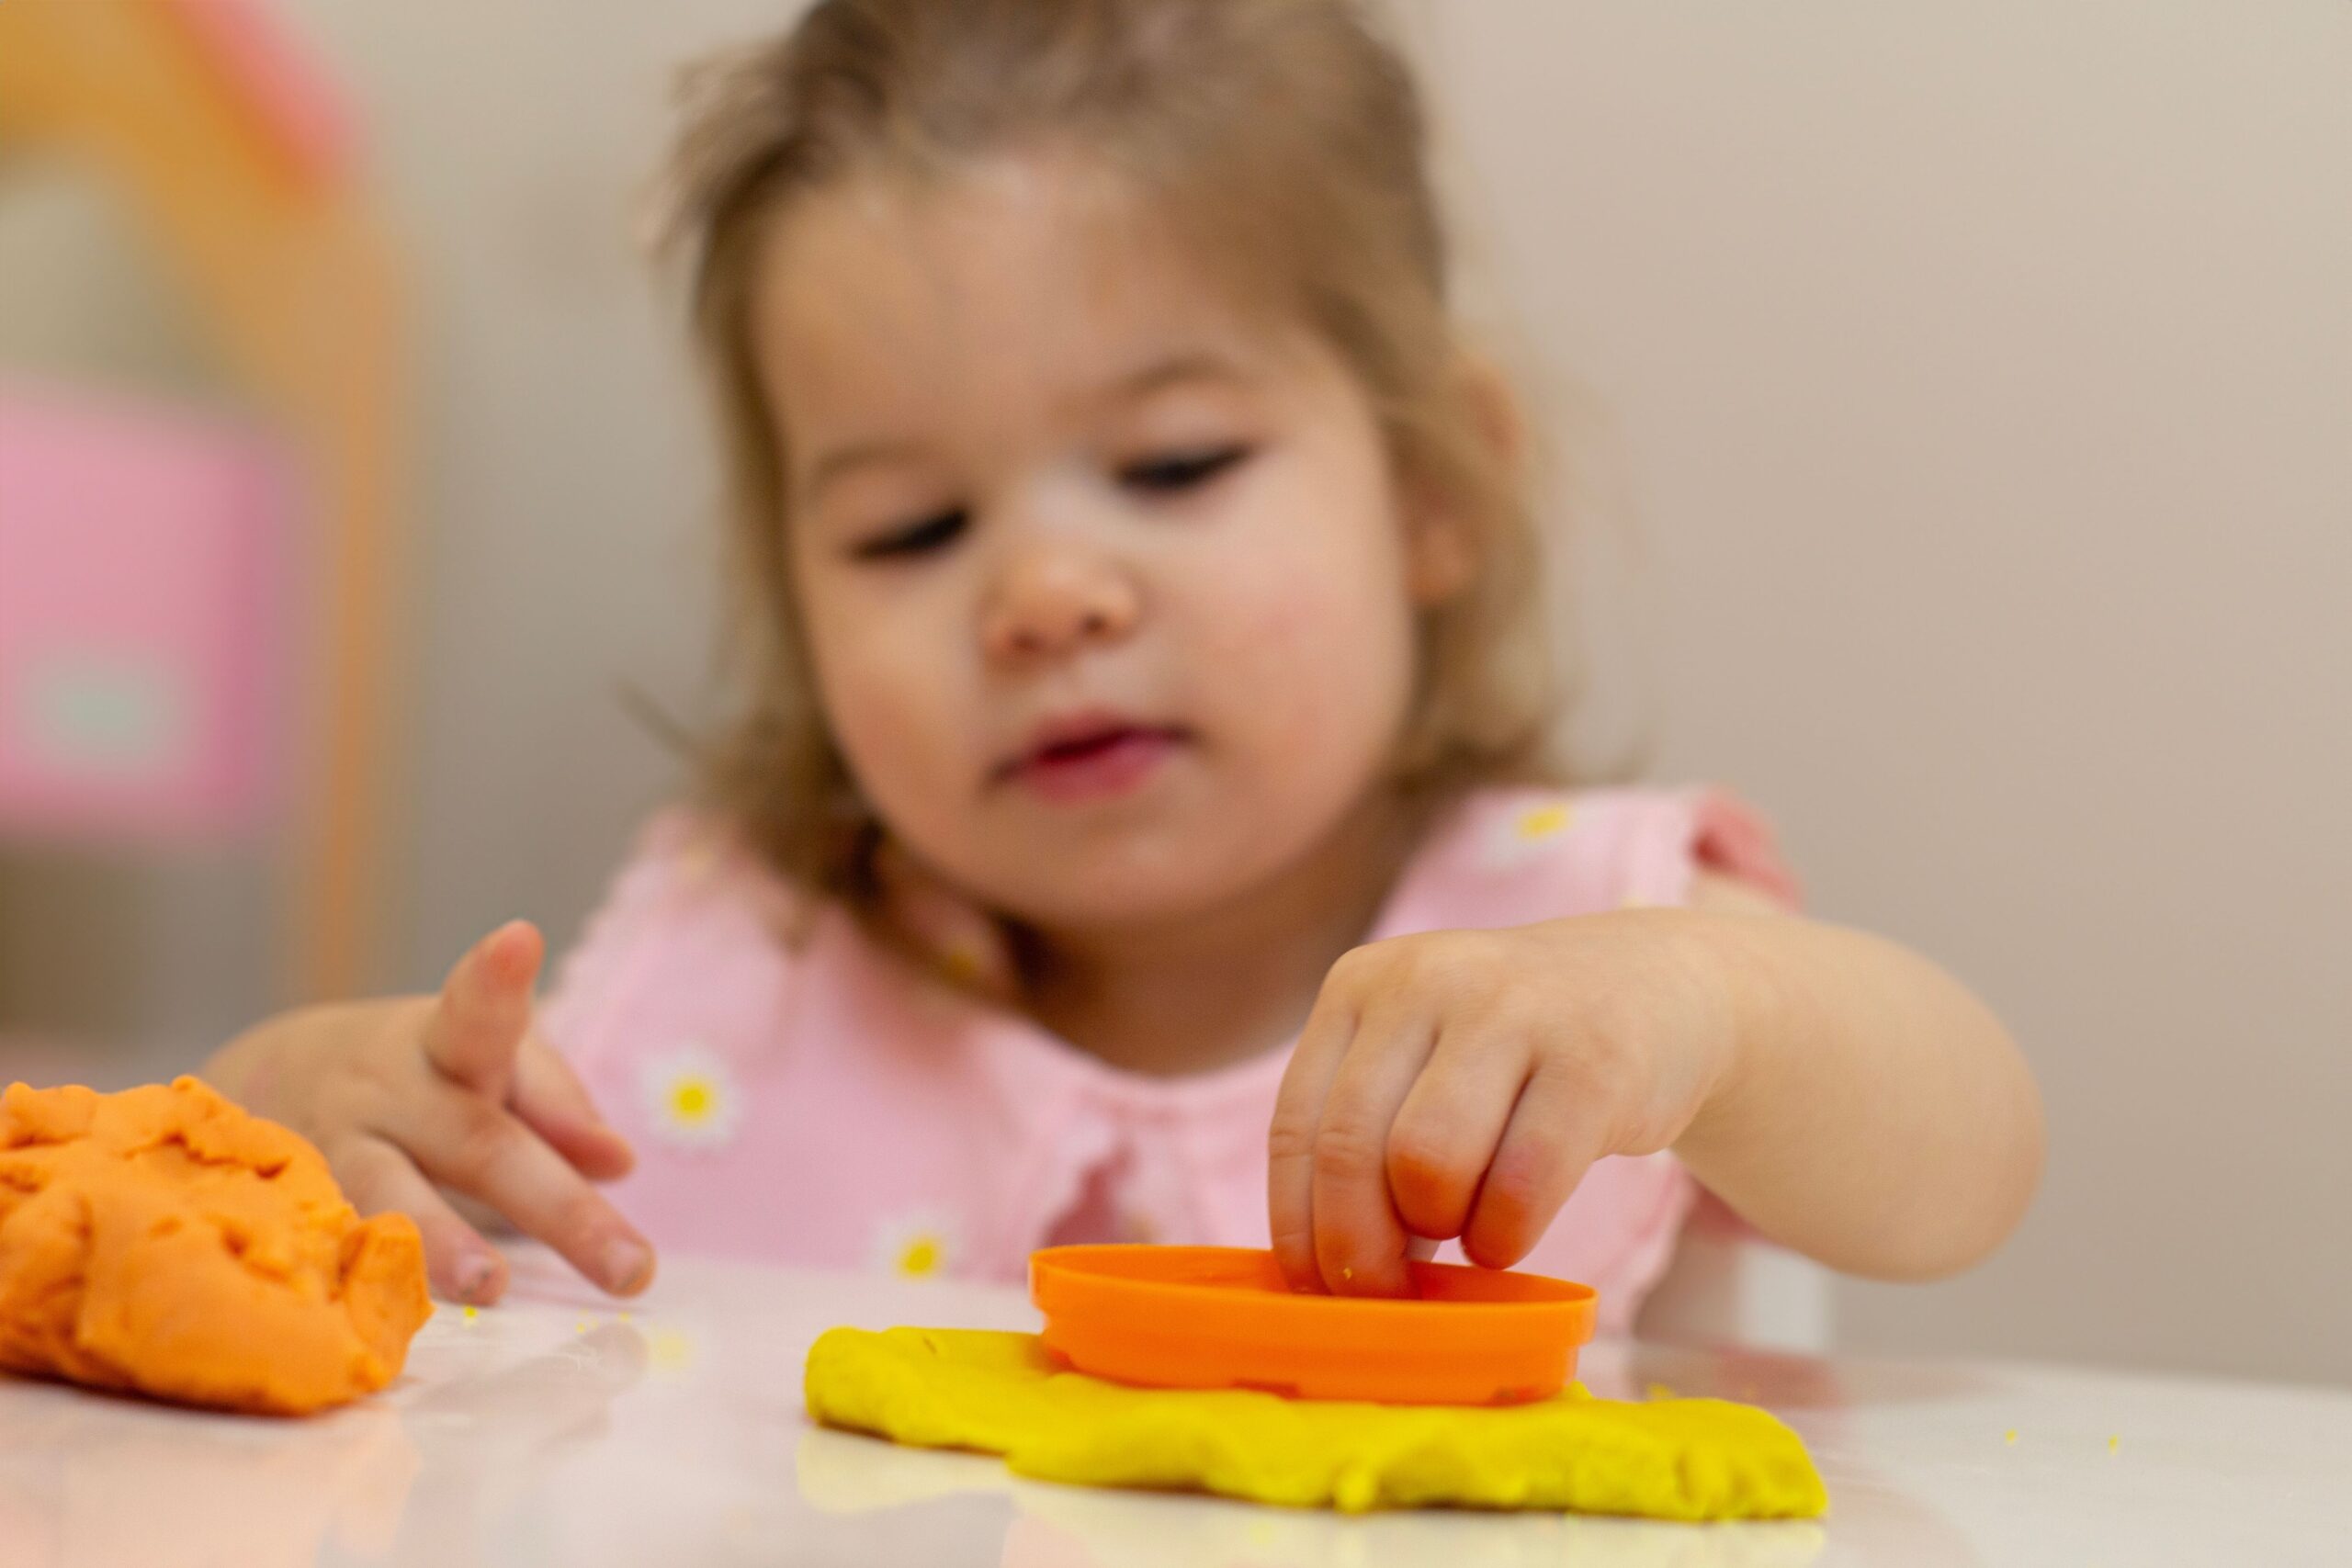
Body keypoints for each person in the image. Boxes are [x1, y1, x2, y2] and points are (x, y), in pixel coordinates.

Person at [206, 0, 2042, 1331]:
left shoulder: (1588, 937)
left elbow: (1969, 1162)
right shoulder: (758, 966)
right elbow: (451, 1338)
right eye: (910, 531)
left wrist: (1701, 1006)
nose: (1043, 595)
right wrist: (288, 1118)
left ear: (1426, 484)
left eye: (1172, 468)